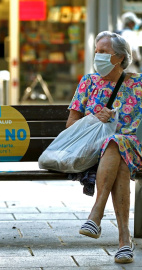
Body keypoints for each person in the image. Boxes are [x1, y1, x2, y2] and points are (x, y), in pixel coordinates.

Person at [66, 31, 142, 264]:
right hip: (94, 149)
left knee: (117, 143)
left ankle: (96, 215)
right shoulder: (88, 82)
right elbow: (71, 125)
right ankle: (123, 241)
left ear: (119, 57)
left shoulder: (138, 84)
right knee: (115, 145)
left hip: (133, 149)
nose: (97, 56)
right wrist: (94, 118)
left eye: (103, 52)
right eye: (96, 51)